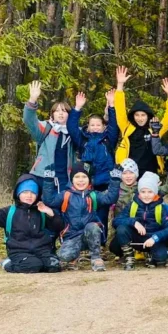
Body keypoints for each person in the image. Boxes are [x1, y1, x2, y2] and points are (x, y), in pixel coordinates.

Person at [42, 162, 122, 271]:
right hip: (71, 236)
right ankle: (74, 257)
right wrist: (48, 180)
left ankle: (96, 258)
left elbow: (110, 199)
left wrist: (115, 180)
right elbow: (49, 200)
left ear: (89, 179)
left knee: (93, 227)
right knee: (63, 256)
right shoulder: (66, 195)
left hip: (90, 234)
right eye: (77, 177)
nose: (81, 180)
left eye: (84, 177)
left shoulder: (94, 195)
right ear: (72, 179)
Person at [0, 176, 64, 273]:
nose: (29, 195)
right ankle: (7, 263)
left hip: (42, 250)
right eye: (25, 192)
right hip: (19, 251)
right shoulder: (9, 212)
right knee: (33, 266)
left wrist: (50, 214)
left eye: (33, 192)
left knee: (54, 266)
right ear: (18, 193)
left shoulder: (41, 210)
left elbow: (58, 227)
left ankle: (40, 263)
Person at [67, 89, 119, 236]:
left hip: (104, 183)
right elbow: (71, 127)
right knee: (84, 212)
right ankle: (83, 240)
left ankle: (101, 241)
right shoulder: (82, 139)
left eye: (98, 125)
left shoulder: (109, 140)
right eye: (92, 125)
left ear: (103, 127)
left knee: (102, 214)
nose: (95, 127)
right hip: (85, 184)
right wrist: (77, 108)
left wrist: (111, 105)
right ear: (87, 126)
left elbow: (114, 126)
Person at [113, 65, 168, 177]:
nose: (140, 118)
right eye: (137, 115)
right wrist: (120, 85)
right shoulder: (126, 127)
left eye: (143, 115)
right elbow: (119, 109)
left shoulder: (155, 130)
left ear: (148, 116)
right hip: (130, 174)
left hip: (150, 174)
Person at [111, 172, 168, 270]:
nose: (146, 195)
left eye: (150, 192)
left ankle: (153, 257)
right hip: (136, 237)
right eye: (143, 192)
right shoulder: (132, 204)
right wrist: (134, 222)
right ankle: (129, 257)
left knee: (161, 258)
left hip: (152, 239)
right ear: (139, 192)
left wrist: (155, 238)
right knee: (120, 231)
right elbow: (116, 221)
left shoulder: (160, 207)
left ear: (155, 192)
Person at [23, 80, 75, 190]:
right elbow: (29, 120)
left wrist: (107, 114)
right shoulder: (46, 127)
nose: (61, 113)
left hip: (66, 179)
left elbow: (95, 131)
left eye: (64, 111)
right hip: (42, 177)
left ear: (69, 115)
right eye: (57, 111)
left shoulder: (74, 132)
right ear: (52, 114)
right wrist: (32, 100)